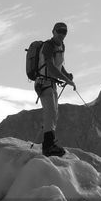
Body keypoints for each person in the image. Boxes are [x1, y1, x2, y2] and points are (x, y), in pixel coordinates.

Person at [34, 22, 75, 157]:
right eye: (60, 31)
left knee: (54, 114)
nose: (62, 34)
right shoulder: (48, 46)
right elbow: (50, 67)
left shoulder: (61, 46)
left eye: (65, 32)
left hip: (51, 83)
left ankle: (50, 144)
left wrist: (66, 75)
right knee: (50, 112)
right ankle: (47, 147)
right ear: (53, 31)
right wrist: (66, 80)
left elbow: (58, 66)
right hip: (43, 83)